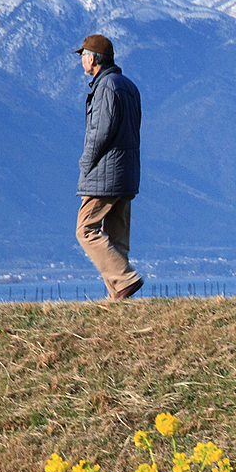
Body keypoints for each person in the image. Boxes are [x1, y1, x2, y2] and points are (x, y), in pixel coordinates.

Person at [74, 34, 144, 300]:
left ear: (92, 58)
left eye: (83, 56)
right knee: (117, 237)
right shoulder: (129, 86)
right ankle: (118, 298)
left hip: (104, 173)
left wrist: (86, 164)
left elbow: (100, 132)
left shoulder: (105, 87)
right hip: (127, 172)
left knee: (85, 230)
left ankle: (125, 280)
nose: (82, 61)